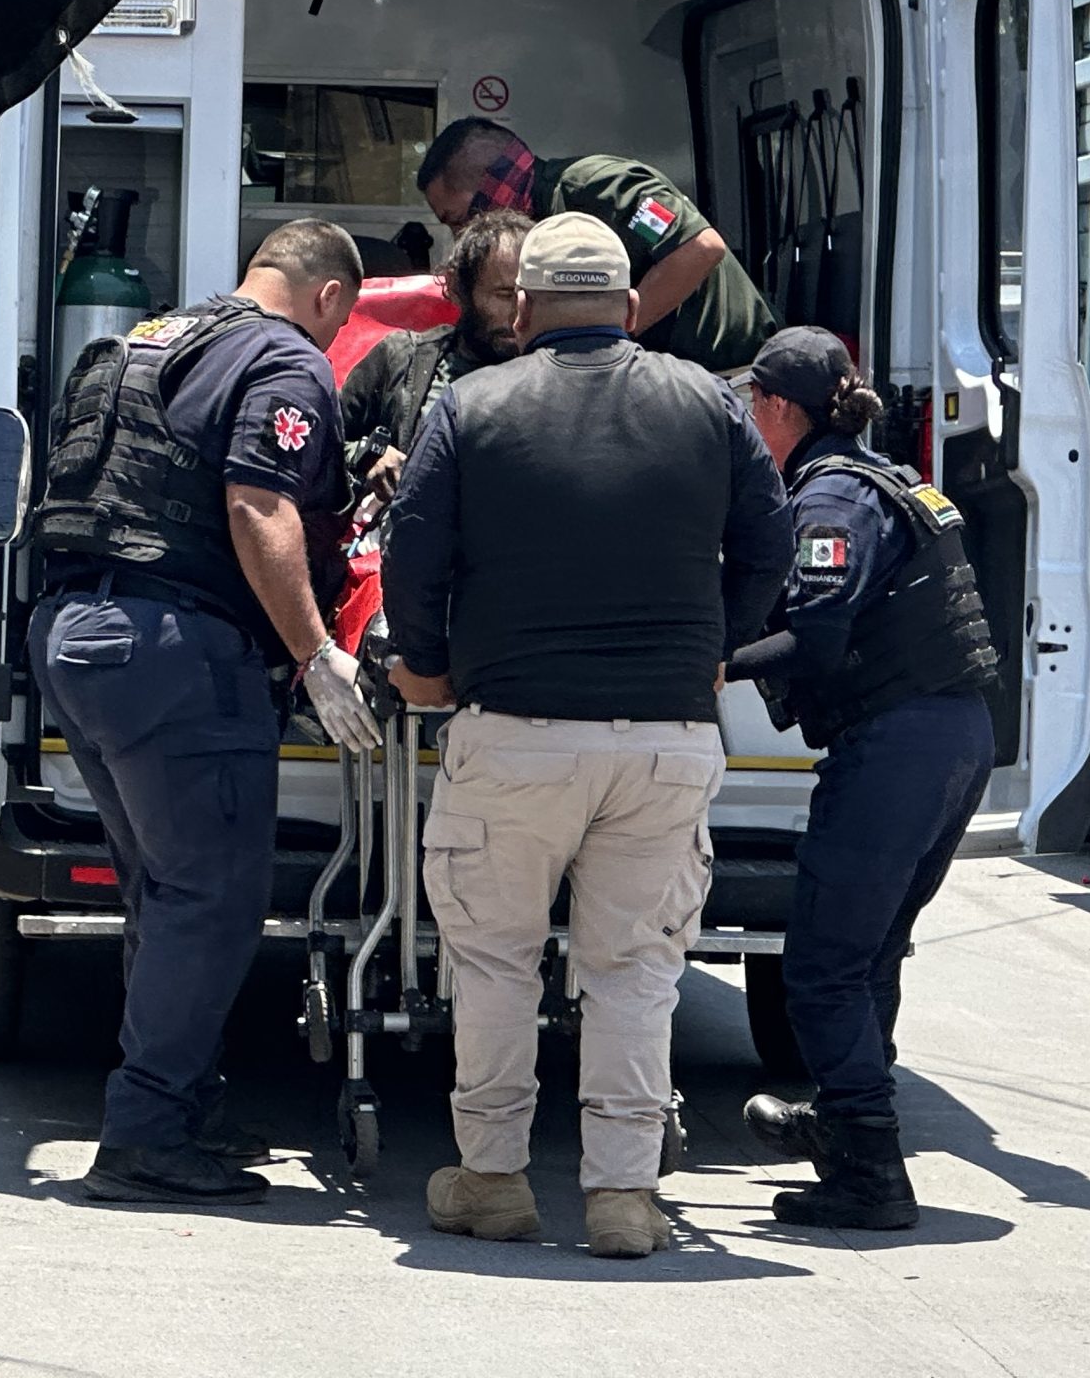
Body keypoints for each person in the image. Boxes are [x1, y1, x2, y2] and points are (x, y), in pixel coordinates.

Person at [380, 212, 793, 1259]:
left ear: (520, 309)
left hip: (511, 733)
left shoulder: (472, 404)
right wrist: (720, 644)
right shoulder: (707, 402)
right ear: (627, 306)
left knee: (494, 965)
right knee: (635, 972)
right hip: (665, 739)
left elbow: (413, 555)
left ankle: (493, 1179)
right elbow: (771, 540)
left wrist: (425, 662)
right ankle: (621, 1197)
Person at [26, 219, 384, 1207]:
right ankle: (144, 1134)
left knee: (165, 892)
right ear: (326, 298)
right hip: (173, 649)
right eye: (340, 322)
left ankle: (175, 1108)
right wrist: (317, 656)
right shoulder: (284, 358)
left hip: (72, 633)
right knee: (212, 899)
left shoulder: (150, 342)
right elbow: (257, 505)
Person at [721, 328, 1000, 1230]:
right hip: (953, 736)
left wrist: (709, 664)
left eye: (746, 408)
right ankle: (847, 1126)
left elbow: (818, 637)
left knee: (823, 965)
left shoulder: (833, 495)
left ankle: (871, 1172)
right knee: (869, 952)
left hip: (899, 743)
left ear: (777, 408)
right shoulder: (881, 475)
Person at [413, 120, 776, 373]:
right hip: (666, 377)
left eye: (457, 219)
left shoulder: (599, 189)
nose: (463, 236)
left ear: (489, 189)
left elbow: (699, 248)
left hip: (730, 372)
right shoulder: (535, 226)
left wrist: (608, 338)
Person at [339, 210, 530, 503]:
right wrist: (368, 455)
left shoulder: (560, 376)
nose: (518, 313)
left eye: (528, 296)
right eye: (504, 295)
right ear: (456, 288)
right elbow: (320, 446)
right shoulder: (401, 358)